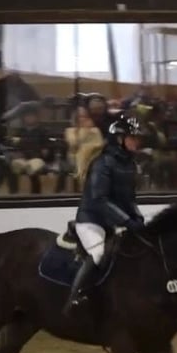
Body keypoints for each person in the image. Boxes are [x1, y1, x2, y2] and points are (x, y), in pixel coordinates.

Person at [62, 113, 145, 315]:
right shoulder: (103, 163)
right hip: (91, 220)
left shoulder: (129, 164)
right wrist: (126, 220)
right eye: (133, 137)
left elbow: (129, 199)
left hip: (112, 222)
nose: (137, 142)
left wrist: (137, 218)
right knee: (98, 254)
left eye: (137, 138)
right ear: (119, 138)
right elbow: (100, 199)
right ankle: (75, 298)